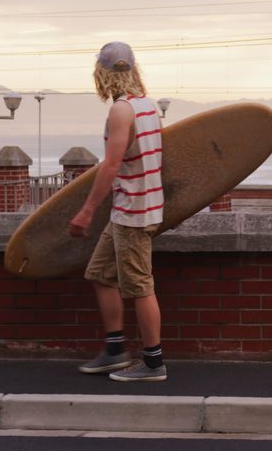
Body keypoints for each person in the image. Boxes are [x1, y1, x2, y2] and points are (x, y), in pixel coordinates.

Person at [69, 41, 166, 382]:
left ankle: (153, 364)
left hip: (134, 212)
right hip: (135, 208)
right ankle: (115, 352)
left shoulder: (122, 111)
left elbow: (110, 166)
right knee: (100, 273)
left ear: (101, 74)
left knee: (139, 285)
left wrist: (86, 211)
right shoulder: (148, 105)